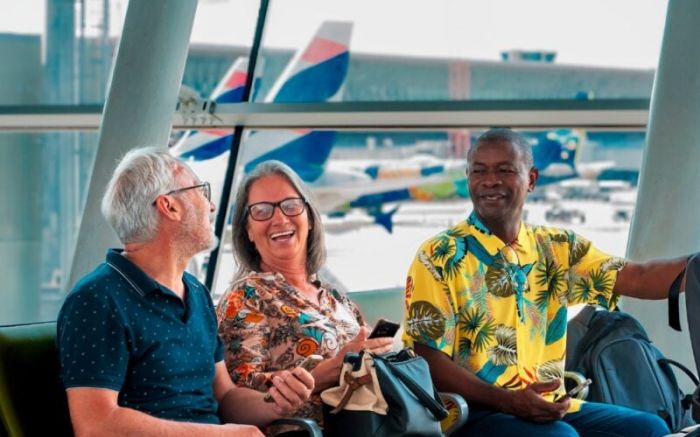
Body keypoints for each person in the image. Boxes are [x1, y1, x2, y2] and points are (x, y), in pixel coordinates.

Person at [403, 128, 689, 437]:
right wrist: (509, 402)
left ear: (532, 180)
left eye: (505, 170)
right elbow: (426, 359)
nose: (490, 181)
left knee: (650, 429)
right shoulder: (439, 255)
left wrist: (696, 267)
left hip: (547, 405)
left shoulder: (557, 247)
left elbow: (638, 277)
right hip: (471, 411)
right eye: (479, 171)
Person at [57, 148, 314, 436]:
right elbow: (96, 425)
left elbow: (225, 397)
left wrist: (273, 403)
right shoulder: (98, 299)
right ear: (170, 206)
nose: (211, 205)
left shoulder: (195, 291)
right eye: (201, 190)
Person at [216, 160, 393, 432]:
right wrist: (330, 370)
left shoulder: (336, 299)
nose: (279, 218)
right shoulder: (246, 296)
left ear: (309, 217)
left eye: (290, 205)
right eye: (261, 211)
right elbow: (236, 397)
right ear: (248, 231)